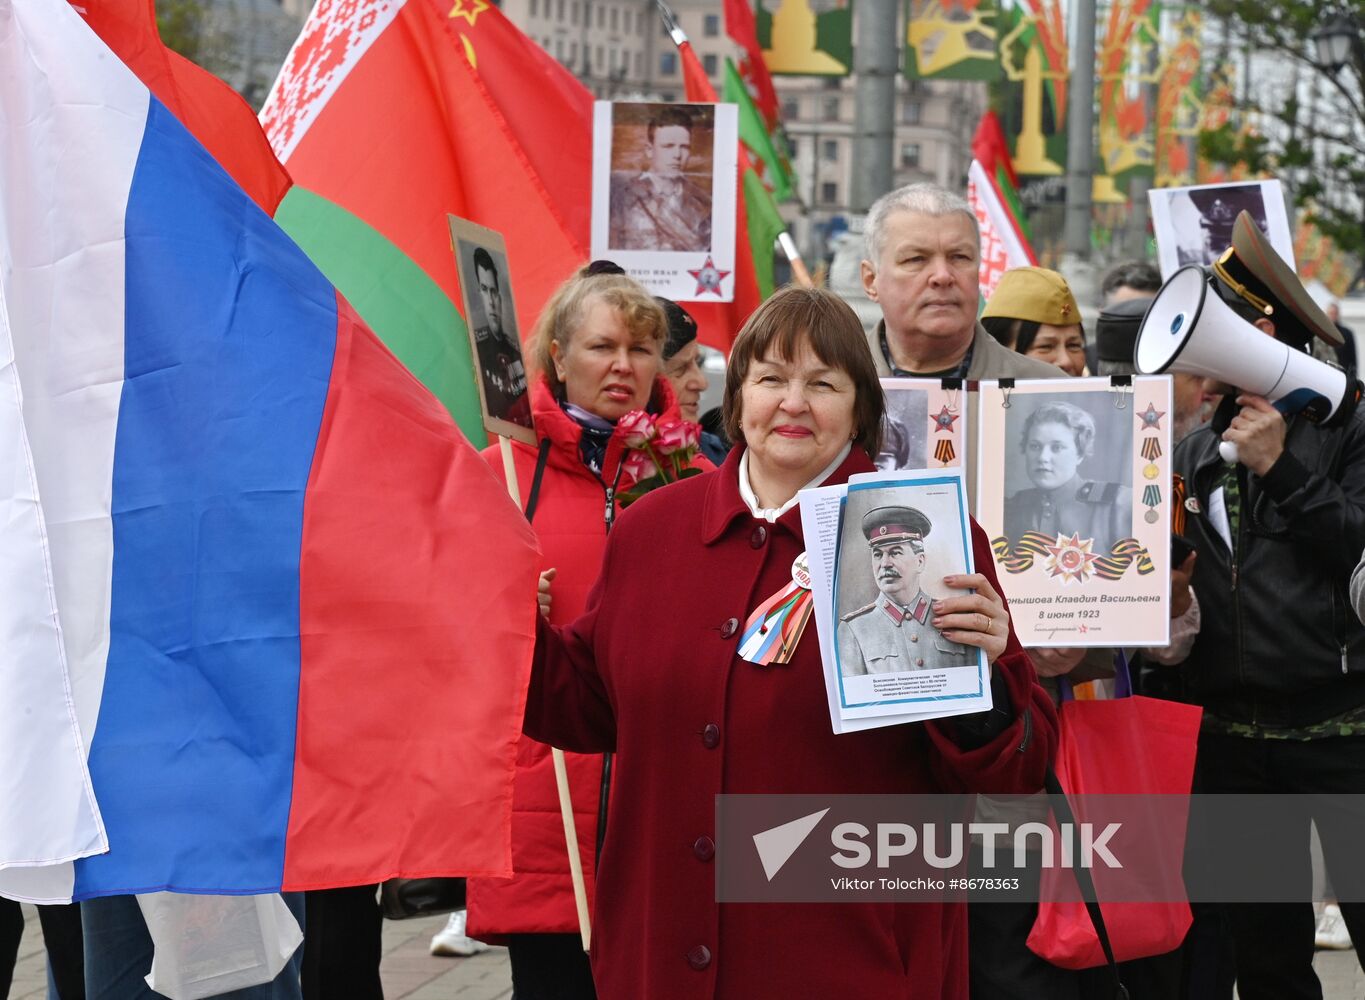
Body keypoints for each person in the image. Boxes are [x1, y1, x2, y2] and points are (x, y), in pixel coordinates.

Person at [522, 286, 1058, 999]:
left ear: (860, 409)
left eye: (823, 384)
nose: (793, 403)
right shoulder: (653, 531)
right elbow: (586, 707)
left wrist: (986, 675)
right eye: (771, 378)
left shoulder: (936, 544)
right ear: (736, 397)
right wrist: (510, 627)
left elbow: (1011, 772)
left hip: (853, 956)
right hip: (661, 952)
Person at [464, 262, 708, 1000]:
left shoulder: (695, 478)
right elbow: (448, 628)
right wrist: (501, 612)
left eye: (639, 349)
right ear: (558, 356)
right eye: (601, 347)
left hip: (661, 789)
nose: (622, 366)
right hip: (546, 795)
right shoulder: (498, 475)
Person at [1175, 211, 1365, 998]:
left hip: (1343, 737)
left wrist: (1284, 470)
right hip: (1233, 746)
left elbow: (1357, 554)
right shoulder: (1191, 448)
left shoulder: (1349, 425)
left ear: (1256, 327)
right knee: (1266, 958)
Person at [860, 183, 1062, 380]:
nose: (943, 276)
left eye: (959, 257)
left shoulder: (1044, 389)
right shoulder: (836, 384)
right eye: (916, 259)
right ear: (871, 280)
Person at [837, 505, 976, 675]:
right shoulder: (853, 628)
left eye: (895, 553)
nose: (885, 563)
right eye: (878, 554)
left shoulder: (955, 618)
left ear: (920, 561)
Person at [1003, 402, 1132, 554]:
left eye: (1057, 447)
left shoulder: (1118, 504)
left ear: (1080, 454)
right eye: (1035, 446)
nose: (1043, 457)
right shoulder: (1012, 508)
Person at [608, 108, 711, 253]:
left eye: (684, 147)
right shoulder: (621, 197)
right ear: (649, 150)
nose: (677, 155)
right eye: (668, 146)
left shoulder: (703, 202)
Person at [657, 296, 729, 465]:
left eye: (697, 363)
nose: (702, 383)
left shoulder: (717, 454)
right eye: (681, 369)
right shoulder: (606, 464)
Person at [981, 266, 1088, 376]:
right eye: (1045, 347)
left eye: (1074, 345)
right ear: (998, 351)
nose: (1066, 361)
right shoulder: (966, 392)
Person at [471, 247, 531, 428]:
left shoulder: (517, 352)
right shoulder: (474, 350)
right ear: (479, 293)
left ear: (500, 296)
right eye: (484, 289)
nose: (490, 301)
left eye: (493, 291)